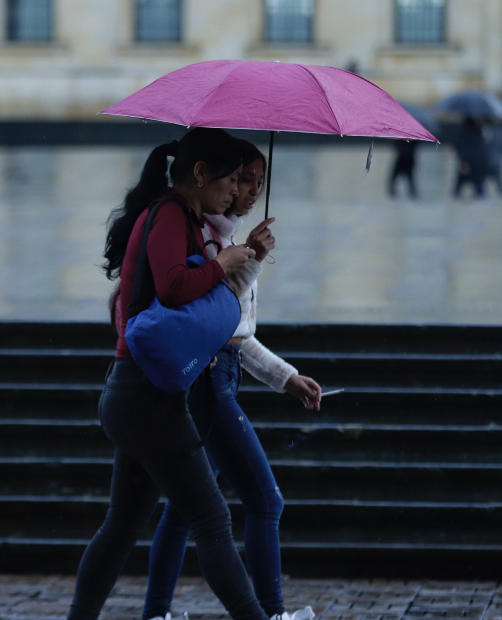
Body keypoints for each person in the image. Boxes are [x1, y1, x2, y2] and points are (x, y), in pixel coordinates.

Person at [68, 127, 268, 620]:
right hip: (143, 396)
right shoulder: (170, 215)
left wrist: (238, 260)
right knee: (213, 519)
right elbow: (176, 288)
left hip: (138, 395)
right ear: (200, 174)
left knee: (120, 526)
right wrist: (221, 262)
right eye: (230, 180)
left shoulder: (184, 217)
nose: (232, 191)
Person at [143, 139, 323, 620]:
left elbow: (239, 334)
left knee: (183, 509)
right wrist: (250, 258)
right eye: (242, 179)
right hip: (208, 381)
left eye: (257, 183)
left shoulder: (230, 236)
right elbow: (220, 320)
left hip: (219, 374)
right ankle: (272, 613)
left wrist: (286, 377)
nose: (246, 192)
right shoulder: (211, 238)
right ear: (210, 177)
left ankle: (156, 613)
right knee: (264, 499)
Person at [453, 118, 489, 198]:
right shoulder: (478, 132)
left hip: (467, 163)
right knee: (479, 187)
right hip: (478, 164)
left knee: (458, 188)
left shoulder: (463, 133)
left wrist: (464, 162)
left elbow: (462, 148)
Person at [482, 119, 502, 197]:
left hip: (494, 160)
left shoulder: (497, 131)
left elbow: (501, 146)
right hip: (486, 161)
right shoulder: (483, 131)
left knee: (498, 179)